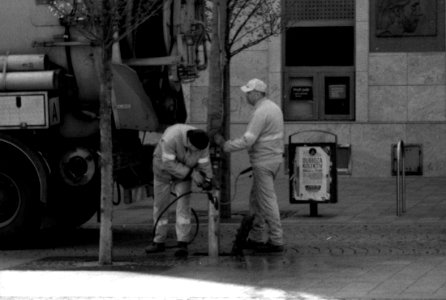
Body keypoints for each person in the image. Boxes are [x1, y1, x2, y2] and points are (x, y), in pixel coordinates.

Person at [215, 78, 285, 253]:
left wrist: (225, 145)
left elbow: (249, 139)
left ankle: (276, 240)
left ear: (256, 93)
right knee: (256, 201)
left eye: (248, 92)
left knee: (267, 201)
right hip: (272, 159)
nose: (246, 95)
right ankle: (256, 237)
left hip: (264, 161)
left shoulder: (261, 112)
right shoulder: (273, 108)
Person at [145, 124, 213, 257]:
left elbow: (205, 163)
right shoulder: (171, 137)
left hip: (183, 176)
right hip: (163, 173)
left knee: (184, 207)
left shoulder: (202, 143)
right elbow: (168, 163)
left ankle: (182, 243)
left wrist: (208, 180)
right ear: (188, 142)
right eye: (195, 149)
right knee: (160, 206)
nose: (197, 151)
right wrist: (192, 174)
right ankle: (158, 241)